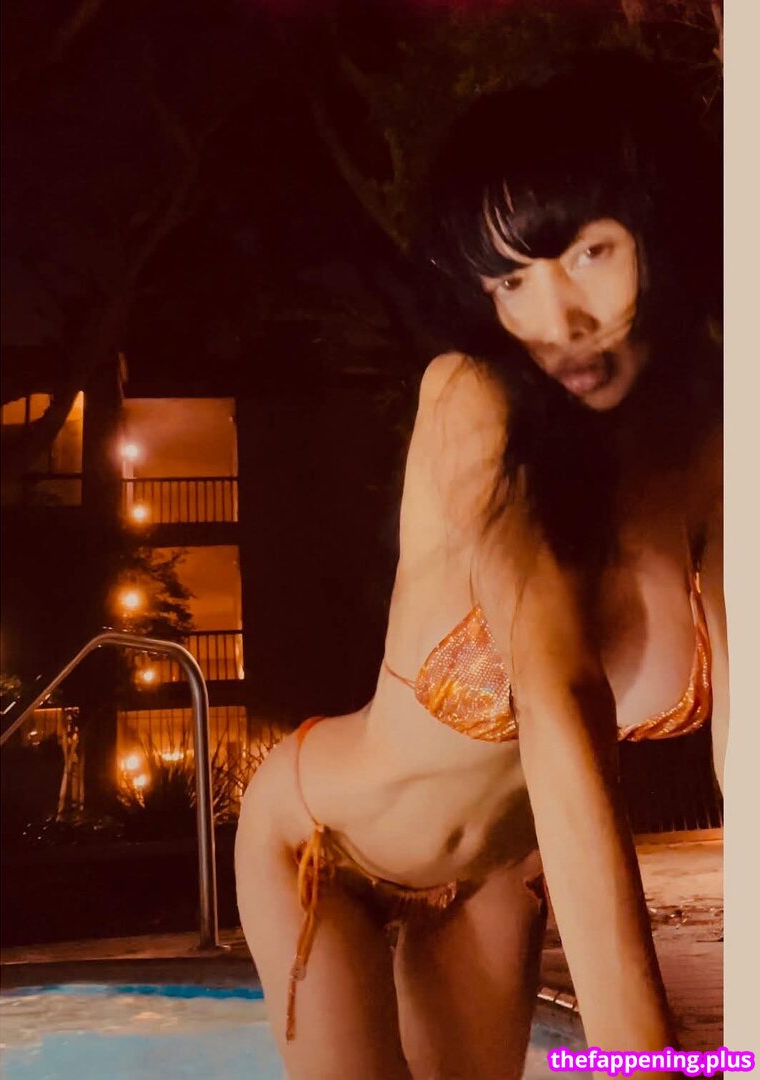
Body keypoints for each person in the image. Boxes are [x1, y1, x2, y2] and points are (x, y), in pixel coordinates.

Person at [235, 52, 725, 1080]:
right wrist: (644, 1061)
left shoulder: (712, 450)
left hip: (500, 875)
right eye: (509, 281)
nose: (556, 322)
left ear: (659, 230)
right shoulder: (473, 403)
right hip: (326, 847)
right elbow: (556, 696)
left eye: (589, 253)